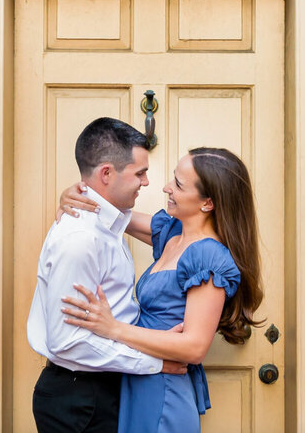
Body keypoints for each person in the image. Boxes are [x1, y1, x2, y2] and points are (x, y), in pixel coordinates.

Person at [57, 147, 263, 433]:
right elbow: (112, 213)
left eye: (178, 184)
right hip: (140, 379)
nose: (166, 187)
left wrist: (113, 328)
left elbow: (194, 347)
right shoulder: (172, 233)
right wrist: (75, 195)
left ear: (208, 203)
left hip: (164, 388)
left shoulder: (208, 256)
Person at [27, 117, 186, 433]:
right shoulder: (81, 239)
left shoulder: (109, 224)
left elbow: (181, 234)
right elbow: (67, 342)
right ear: (106, 174)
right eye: (140, 173)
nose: (146, 183)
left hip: (105, 388)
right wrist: (152, 364)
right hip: (81, 400)